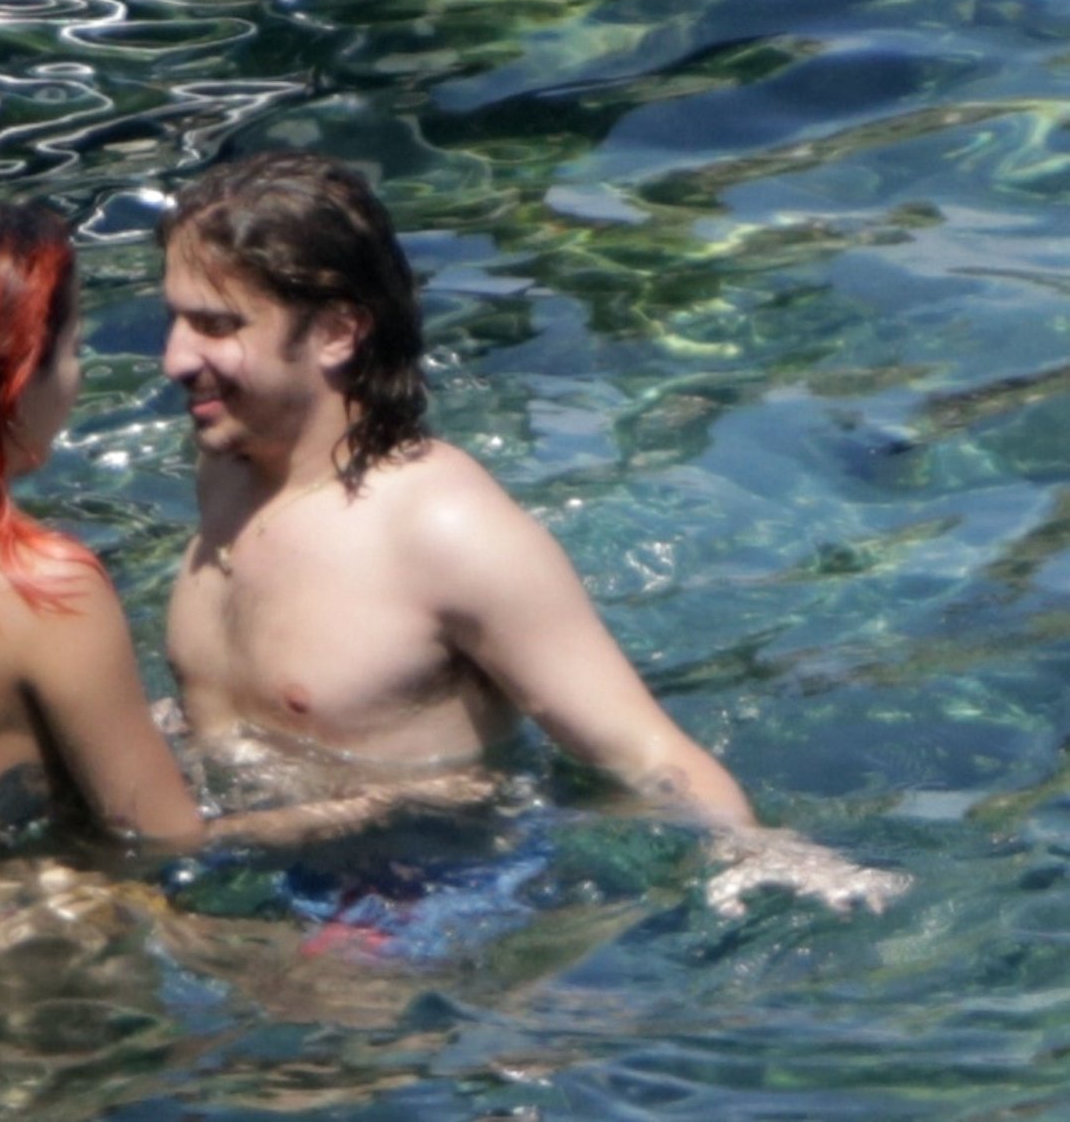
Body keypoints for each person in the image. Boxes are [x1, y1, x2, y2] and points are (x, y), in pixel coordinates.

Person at [154, 150, 907, 916]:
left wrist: (754, 846)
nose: (174, 358)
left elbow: (642, 750)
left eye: (216, 325)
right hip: (244, 864)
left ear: (337, 331)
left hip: (421, 893)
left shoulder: (441, 529)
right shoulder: (230, 469)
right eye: (175, 318)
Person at [0, 195, 410, 868]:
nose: (77, 379)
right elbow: (166, 840)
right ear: (17, 377)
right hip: (31, 927)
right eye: (73, 349)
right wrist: (383, 804)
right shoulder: (48, 588)